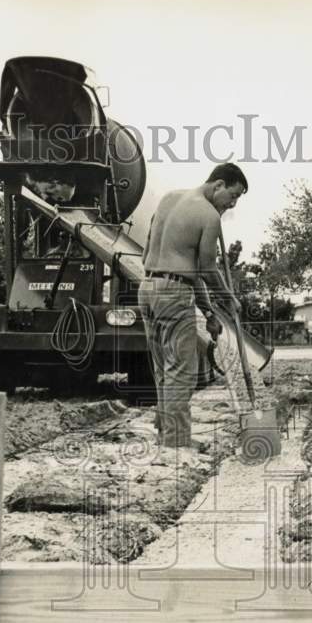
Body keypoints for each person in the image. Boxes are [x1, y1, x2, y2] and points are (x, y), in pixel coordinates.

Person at [139, 163, 246, 448]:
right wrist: (227, 298)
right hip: (174, 292)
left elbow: (181, 268)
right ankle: (177, 443)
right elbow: (208, 270)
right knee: (181, 370)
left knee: (164, 368)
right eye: (233, 196)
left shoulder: (170, 198)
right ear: (218, 184)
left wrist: (209, 312)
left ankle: (166, 436)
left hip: (148, 287)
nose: (232, 204)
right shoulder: (209, 215)